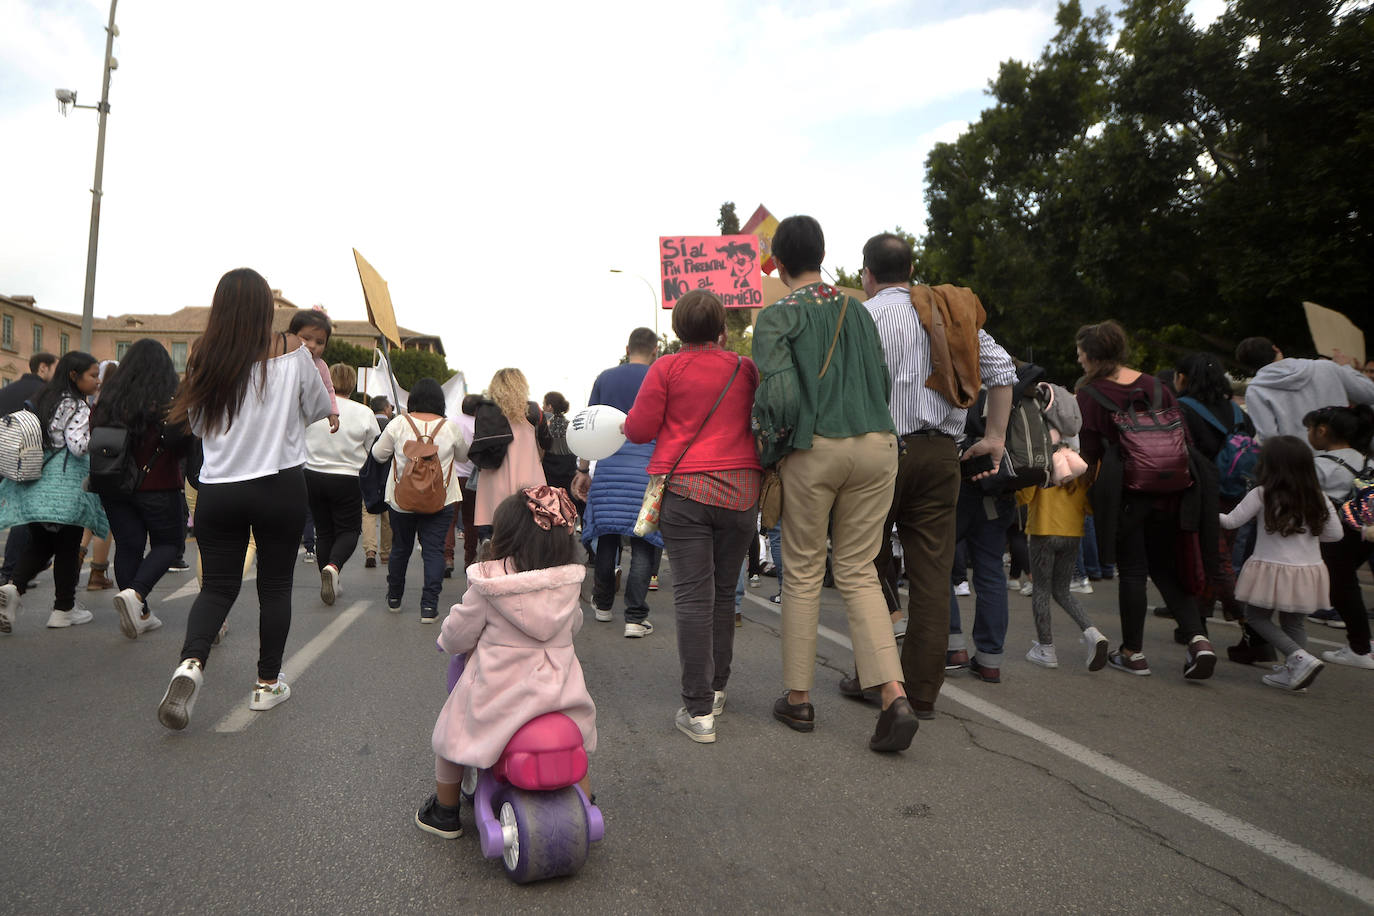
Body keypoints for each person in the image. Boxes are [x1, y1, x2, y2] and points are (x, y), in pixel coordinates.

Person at [752, 215, 919, 752]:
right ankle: (894, 694)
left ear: (776, 263)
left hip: (814, 447)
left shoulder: (777, 317)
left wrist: (771, 453)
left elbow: (777, 397)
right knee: (859, 570)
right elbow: (882, 379)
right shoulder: (859, 310)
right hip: (877, 445)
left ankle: (798, 700)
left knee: (802, 571)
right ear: (825, 255)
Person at [155, 267, 332, 730]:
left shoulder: (202, 358)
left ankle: (190, 664)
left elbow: (194, 425)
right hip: (279, 483)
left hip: (218, 489)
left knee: (216, 586)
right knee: (274, 586)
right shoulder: (295, 353)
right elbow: (316, 408)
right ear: (266, 309)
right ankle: (266, 684)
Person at [849, 231, 1013, 710]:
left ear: (868, 274)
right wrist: (996, 437)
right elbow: (1003, 372)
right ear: (911, 271)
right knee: (932, 575)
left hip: (879, 453)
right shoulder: (946, 314)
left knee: (865, 570)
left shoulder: (862, 317)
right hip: (944, 455)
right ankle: (922, 692)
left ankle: (876, 679)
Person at [415, 486, 596, 839]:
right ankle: (585, 801)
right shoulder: (567, 583)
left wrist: (446, 641)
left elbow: (458, 632)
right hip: (562, 698)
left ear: (506, 535)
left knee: (450, 734)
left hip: (499, 700)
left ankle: (445, 810)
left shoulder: (491, 584)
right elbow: (574, 625)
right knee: (578, 743)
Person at [623, 290, 760, 744]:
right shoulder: (745, 369)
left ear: (678, 329)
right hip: (741, 491)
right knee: (724, 594)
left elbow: (640, 429)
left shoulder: (666, 368)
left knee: (692, 598)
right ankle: (717, 688)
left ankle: (698, 710)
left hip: (686, 491)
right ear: (722, 326)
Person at [1076, 320, 1216, 679]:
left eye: (1080, 353)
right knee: (1167, 567)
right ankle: (1199, 641)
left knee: (1134, 571)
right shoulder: (1156, 385)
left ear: (1093, 355)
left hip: (1126, 494)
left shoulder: (1090, 394)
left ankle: (1133, 653)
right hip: (1173, 491)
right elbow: (1181, 435)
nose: (1078, 360)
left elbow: (1089, 452)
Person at [1220, 436, 1342, 689]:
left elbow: (1231, 521)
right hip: (1308, 570)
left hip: (1270, 567)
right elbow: (1335, 534)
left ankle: (1300, 659)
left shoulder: (1262, 494)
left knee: (1255, 617)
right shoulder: (1319, 497)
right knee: (1294, 622)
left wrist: (1208, 512)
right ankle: (1297, 672)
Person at [91, 339, 192, 639]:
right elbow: (181, 444)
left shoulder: (107, 401)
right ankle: (136, 595)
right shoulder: (168, 401)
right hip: (158, 483)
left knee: (129, 546)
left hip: (114, 484)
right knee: (169, 544)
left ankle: (139, 609)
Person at [0, 352, 108, 632]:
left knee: (40, 545)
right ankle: (63, 609)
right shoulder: (77, 406)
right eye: (93, 375)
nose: (97, 381)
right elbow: (77, 446)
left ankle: (13, 589)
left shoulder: (42, 399)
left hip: (36, 484)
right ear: (75, 376)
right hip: (65, 488)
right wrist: (98, 436)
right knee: (68, 549)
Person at [572, 329, 662, 635]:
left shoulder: (605, 378)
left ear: (627, 348)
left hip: (609, 464)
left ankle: (604, 605)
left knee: (607, 537)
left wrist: (583, 470)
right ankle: (635, 618)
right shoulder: (659, 376)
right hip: (648, 467)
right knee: (643, 542)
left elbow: (587, 425)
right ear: (655, 350)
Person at [372, 377, 468, 622]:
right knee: (434, 551)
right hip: (441, 499)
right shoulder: (449, 427)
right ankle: (429, 607)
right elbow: (464, 457)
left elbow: (378, 455)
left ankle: (394, 597)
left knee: (400, 549)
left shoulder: (399, 423)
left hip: (401, 500)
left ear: (413, 399)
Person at [1305, 405, 1374, 669]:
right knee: (1346, 586)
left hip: (1337, 535)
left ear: (1322, 431)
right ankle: (1363, 643)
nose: (1308, 434)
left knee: (1342, 589)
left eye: (1309, 429)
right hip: (1364, 534)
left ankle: (1359, 648)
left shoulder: (1321, 465)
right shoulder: (1367, 460)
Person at [304, 363, 378, 607]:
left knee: (323, 531)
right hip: (347, 476)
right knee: (348, 530)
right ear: (352, 384)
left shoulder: (313, 409)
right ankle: (333, 567)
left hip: (312, 474)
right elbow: (373, 449)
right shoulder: (363, 411)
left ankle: (329, 577)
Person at [1019, 474, 1109, 670]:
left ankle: (1046, 649)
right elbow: (1089, 505)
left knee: (1041, 589)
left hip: (1043, 530)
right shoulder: (1080, 465)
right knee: (1062, 591)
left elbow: (1024, 497)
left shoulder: (1044, 462)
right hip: (1072, 533)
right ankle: (1092, 633)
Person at [1234, 336, 1374, 441]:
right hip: (1345, 457)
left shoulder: (1256, 390)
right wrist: (1346, 368)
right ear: (1276, 349)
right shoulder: (1327, 367)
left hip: (1301, 466)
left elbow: (1269, 436)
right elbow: (1369, 394)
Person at [0, 351, 57, 585]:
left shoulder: (5, 391)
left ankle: (15, 570)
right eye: (55, 368)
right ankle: (11, 571)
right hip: (27, 459)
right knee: (24, 516)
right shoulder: (46, 394)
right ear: (42, 368)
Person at [474, 369, 545, 541]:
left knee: (498, 533)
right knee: (527, 535)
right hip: (528, 476)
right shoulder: (533, 411)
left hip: (494, 478)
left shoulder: (485, 411)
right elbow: (546, 444)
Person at [444, 394, 480, 576]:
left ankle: (448, 558)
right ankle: (470, 560)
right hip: (473, 479)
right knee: (470, 521)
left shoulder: (451, 422)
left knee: (449, 520)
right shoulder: (480, 426)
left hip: (451, 477)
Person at [362, 395, 394, 568]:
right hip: (388, 476)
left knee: (368, 514)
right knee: (387, 516)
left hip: (368, 474)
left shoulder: (366, 423)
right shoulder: (393, 426)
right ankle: (385, 552)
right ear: (386, 408)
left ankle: (370, 550)